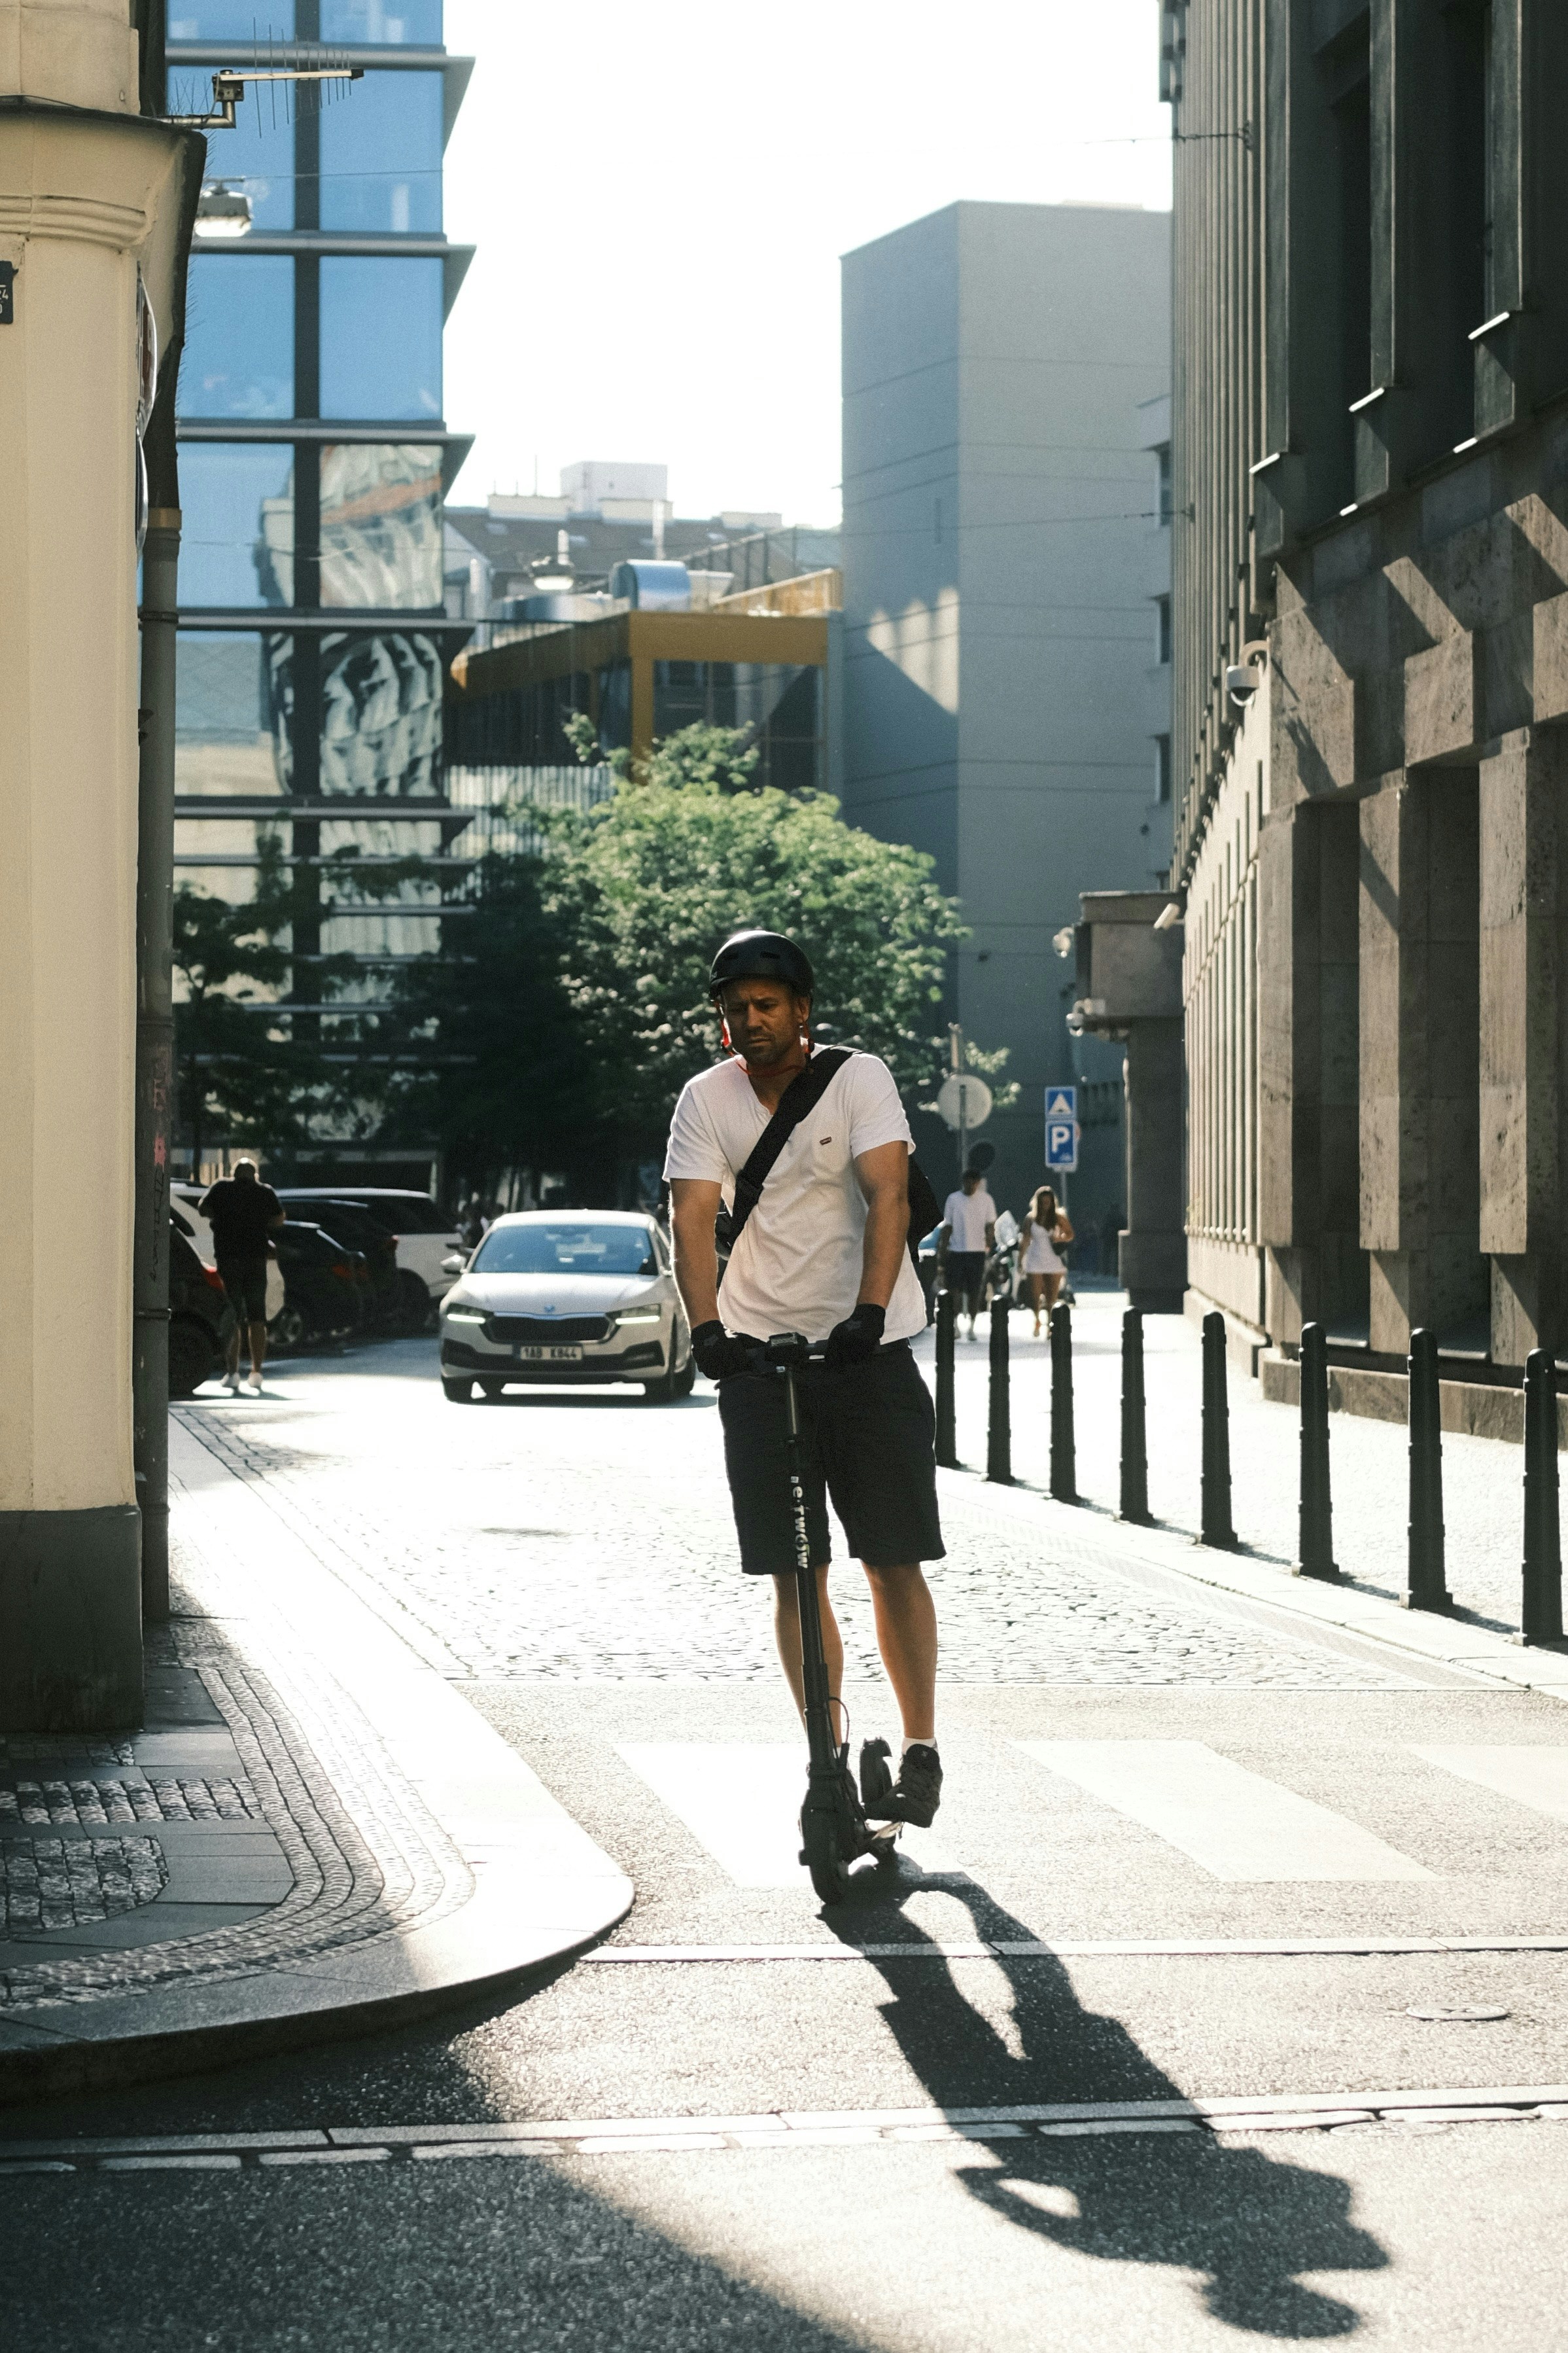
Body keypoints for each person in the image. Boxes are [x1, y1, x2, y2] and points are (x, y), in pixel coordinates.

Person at [665, 928, 944, 1830]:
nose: (751, 1021)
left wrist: (868, 1310)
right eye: (736, 1009)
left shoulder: (859, 1078)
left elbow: (889, 1194)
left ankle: (919, 1747)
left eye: (766, 1006)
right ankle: (824, 1759)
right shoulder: (705, 1099)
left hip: (869, 1352)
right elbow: (693, 1216)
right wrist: (706, 1330)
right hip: (758, 1360)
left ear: (801, 1010)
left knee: (890, 1556)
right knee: (795, 1570)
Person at [199, 1159, 285, 1395]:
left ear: (234, 1173)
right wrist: (260, 1226)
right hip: (256, 1260)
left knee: (233, 1316)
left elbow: (202, 1208)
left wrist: (222, 1217)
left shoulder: (221, 1188)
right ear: (255, 1175)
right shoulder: (264, 1193)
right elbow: (279, 1219)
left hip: (229, 1260)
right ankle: (256, 1372)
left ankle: (233, 1372)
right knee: (258, 1317)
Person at [939, 1167, 997, 1340]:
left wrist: (988, 1242)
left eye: (974, 1182)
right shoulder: (953, 1199)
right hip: (957, 1250)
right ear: (963, 1182)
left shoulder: (986, 1200)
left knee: (975, 1291)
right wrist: (943, 1250)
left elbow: (990, 1224)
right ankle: (956, 1324)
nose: (971, 1186)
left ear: (979, 1184)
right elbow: (947, 1226)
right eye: (968, 1182)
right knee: (954, 1290)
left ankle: (971, 1326)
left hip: (977, 1252)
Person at [1020, 1182, 1074, 1336]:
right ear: (1037, 1202)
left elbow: (1070, 1234)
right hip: (1035, 1258)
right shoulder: (1030, 1219)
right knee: (1034, 1295)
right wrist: (1020, 1260)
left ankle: (1051, 1324)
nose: (1045, 1205)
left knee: (1052, 1295)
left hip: (1053, 1259)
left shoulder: (1059, 1217)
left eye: (1048, 1202)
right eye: (1043, 1202)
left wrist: (1059, 1238)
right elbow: (1025, 1240)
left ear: (1052, 1202)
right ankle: (1037, 1319)